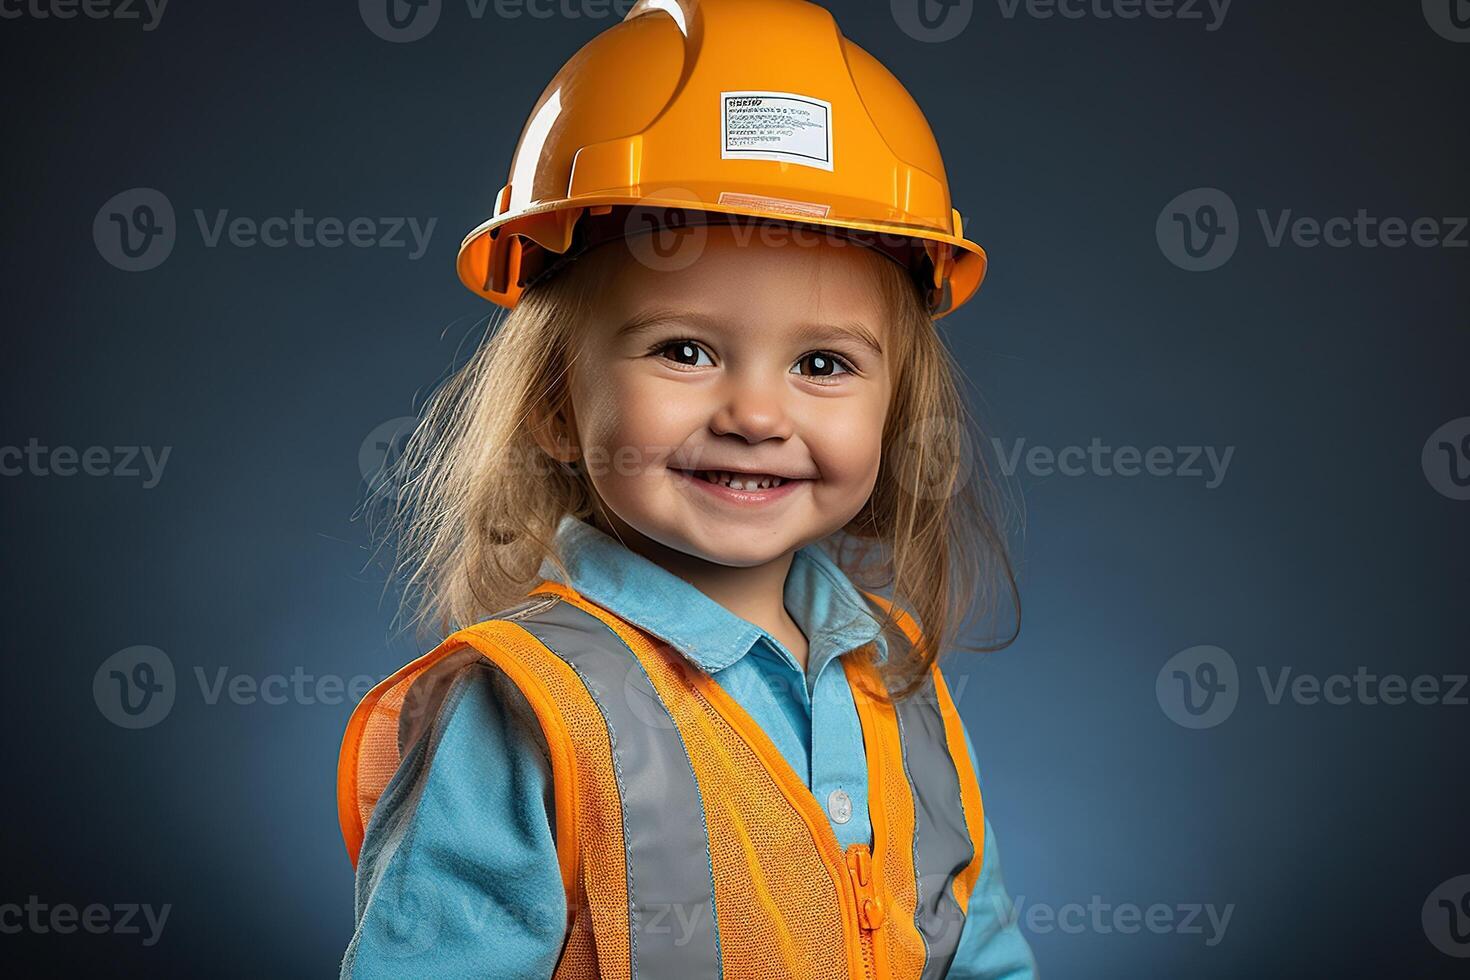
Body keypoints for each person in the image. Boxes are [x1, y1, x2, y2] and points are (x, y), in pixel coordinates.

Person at [338, 1, 1037, 976]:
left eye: (824, 363)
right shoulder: (528, 707)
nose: (756, 411)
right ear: (555, 403)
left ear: (894, 410)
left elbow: (978, 944)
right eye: (686, 349)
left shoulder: (896, 674)